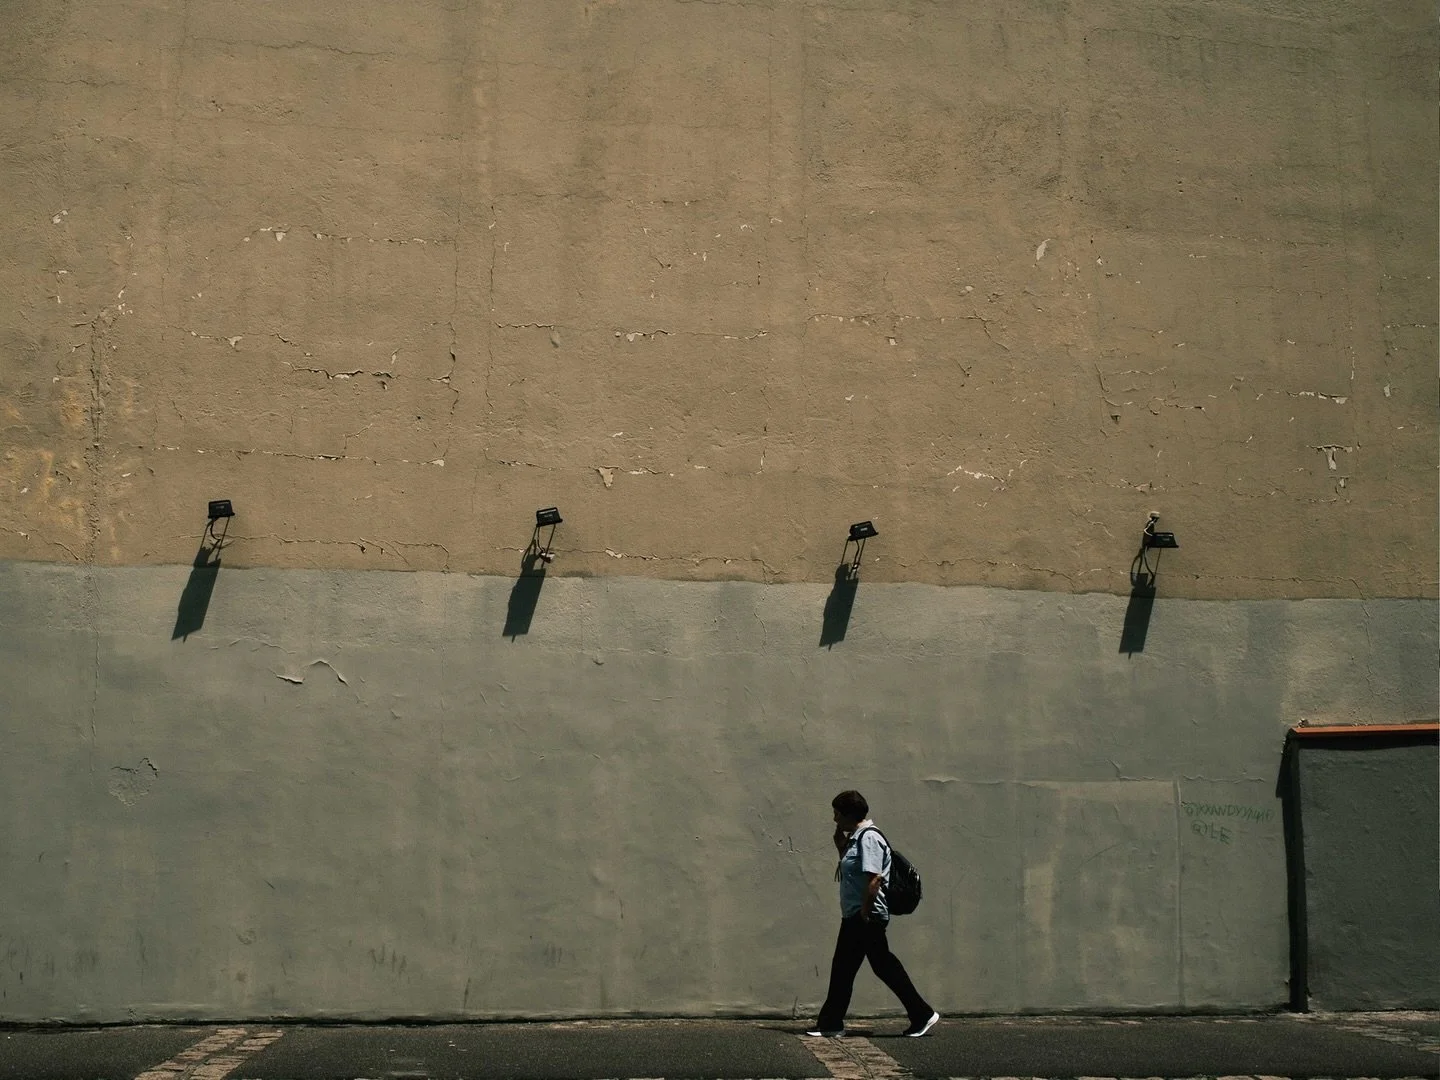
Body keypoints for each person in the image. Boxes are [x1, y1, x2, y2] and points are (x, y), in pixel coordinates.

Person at [806, 790, 939, 1038]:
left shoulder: (869, 838)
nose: (834, 819)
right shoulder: (856, 839)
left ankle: (921, 1014)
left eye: (837, 814)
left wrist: (865, 912)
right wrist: (840, 847)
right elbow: (854, 872)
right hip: (857, 915)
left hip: (866, 916)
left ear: (849, 815)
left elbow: (874, 878)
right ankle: (831, 1023)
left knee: (874, 966)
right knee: (855, 967)